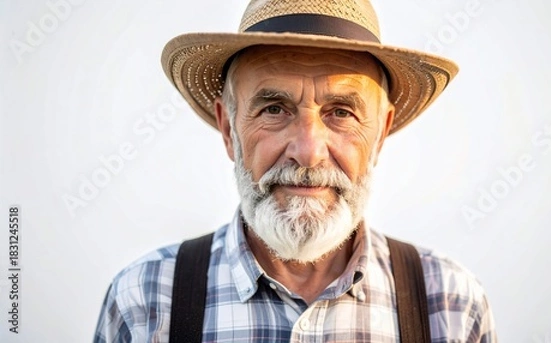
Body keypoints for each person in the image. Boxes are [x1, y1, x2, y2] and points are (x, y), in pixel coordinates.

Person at [94, 0, 497, 342]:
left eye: (341, 112)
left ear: (380, 134)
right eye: (274, 109)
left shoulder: (450, 305)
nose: (307, 153)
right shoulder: (145, 302)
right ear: (228, 129)